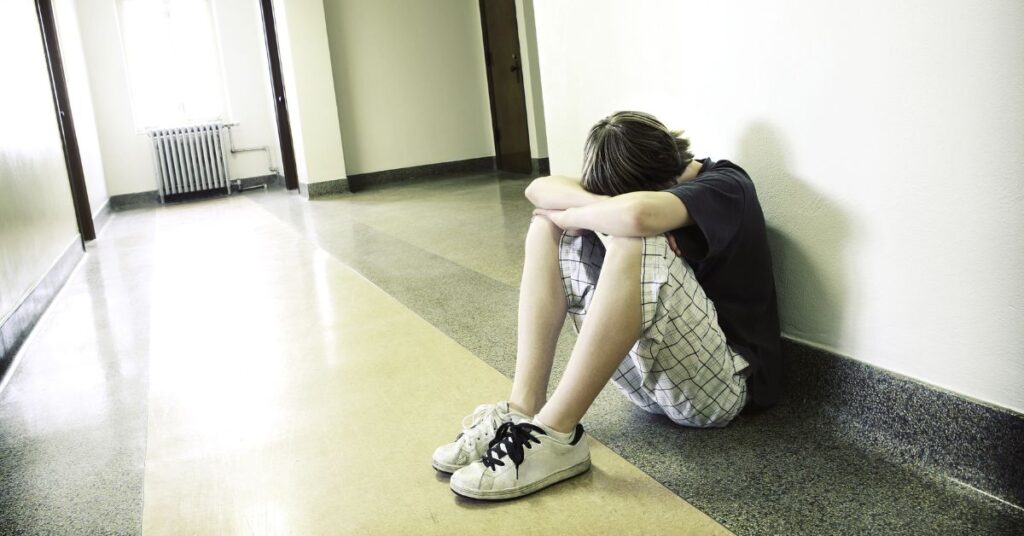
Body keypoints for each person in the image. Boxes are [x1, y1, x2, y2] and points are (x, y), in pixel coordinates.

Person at [433, 111, 782, 501]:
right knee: (547, 226)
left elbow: (636, 214)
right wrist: (580, 212)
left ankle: (556, 435)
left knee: (634, 237)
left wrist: (580, 212)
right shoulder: (640, 184)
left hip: (723, 390)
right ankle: (523, 409)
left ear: (659, 180)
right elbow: (538, 188)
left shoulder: (727, 184)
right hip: (652, 388)